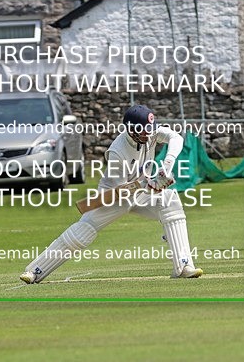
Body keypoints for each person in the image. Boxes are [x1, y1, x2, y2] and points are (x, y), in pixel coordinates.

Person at [20, 104, 202, 284]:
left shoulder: (150, 133)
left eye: (150, 129)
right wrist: (149, 183)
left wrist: (167, 164)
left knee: (170, 201)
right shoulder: (117, 151)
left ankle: (183, 266)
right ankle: (36, 270)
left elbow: (175, 137)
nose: (148, 134)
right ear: (131, 130)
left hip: (142, 192)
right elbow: (122, 191)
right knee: (83, 232)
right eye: (144, 131)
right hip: (113, 196)